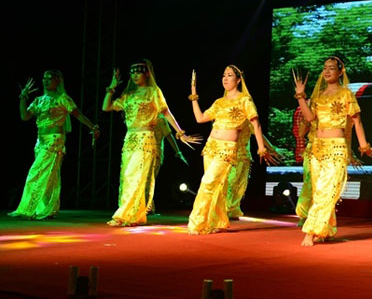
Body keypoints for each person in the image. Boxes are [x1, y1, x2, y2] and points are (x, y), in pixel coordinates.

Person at [103, 60, 198, 227]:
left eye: (138, 72)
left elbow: (166, 112)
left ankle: (126, 215)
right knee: (127, 177)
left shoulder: (153, 91)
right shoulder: (128, 95)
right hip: (129, 139)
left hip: (146, 138)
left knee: (135, 176)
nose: (135, 76)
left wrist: (180, 132)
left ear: (147, 73)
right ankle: (133, 214)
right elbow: (107, 107)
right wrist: (111, 88)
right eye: (132, 73)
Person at [293, 56, 372, 246]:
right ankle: (326, 229)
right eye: (325, 68)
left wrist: (363, 145)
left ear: (340, 72)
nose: (327, 71)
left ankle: (311, 231)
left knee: (326, 189)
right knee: (320, 191)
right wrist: (301, 97)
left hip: (336, 147)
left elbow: (356, 121)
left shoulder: (346, 94)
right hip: (317, 148)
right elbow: (310, 118)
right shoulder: (319, 95)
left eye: (331, 68)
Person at [187, 65, 272, 234]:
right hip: (211, 147)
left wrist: (261, 147)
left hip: (227, 149)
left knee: (208, 182)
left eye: (230, 75)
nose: (225, 78)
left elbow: (256, 124)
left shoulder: (245, 100)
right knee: (217, 185)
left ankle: (197, 223)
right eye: (224, 75)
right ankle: (218, 221)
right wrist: (194, 96)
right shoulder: (219, 102)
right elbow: (200, 118)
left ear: (238, 80)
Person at [9, 70, 100, 219]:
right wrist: (23, 98)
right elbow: (24, 116)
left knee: (36, 172)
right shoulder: (39, 100)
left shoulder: (63, 99)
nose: (45, 81)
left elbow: (78, 115)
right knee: (50, 175)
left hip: (54, 140)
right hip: (40, 140)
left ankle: (27, 208)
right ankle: (47, 209)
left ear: (58, 81)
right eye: (44, 78)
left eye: (50, 78)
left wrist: (92, 127)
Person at [146, 114, 187, 215]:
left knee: (149, 179)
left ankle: (148, 206)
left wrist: (178, 152)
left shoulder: (160, 119)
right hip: (143, 151)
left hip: (155, 152)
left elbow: (169, 136)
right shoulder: (146, 116)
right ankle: (145, 206)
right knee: (144, 179)